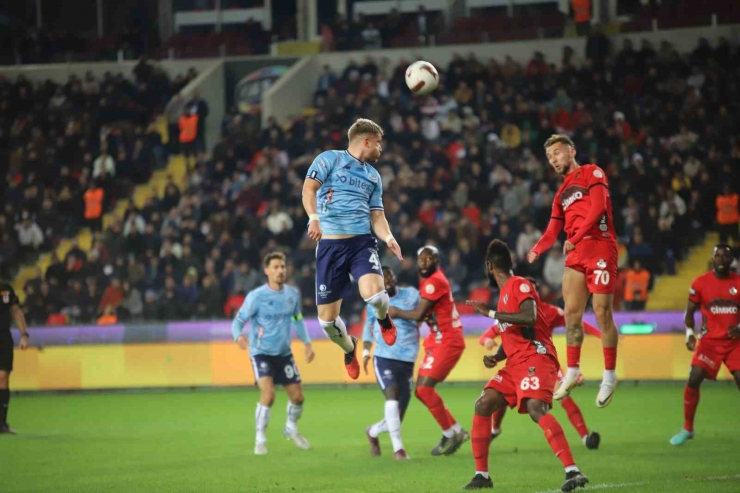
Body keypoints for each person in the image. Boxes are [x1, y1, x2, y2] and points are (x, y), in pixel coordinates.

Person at [463, 240, 589, 491]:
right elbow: (511, 331)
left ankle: (573, 471)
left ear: (489, 266)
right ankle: (482, 475)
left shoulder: (520, 284)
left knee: (535, 408)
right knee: (483, 403)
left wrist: (489, 314)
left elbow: (529, 316)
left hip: (535, 356)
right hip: (514, 362)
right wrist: (497, 358)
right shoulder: (503, 296)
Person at [302, 118, 402, 381]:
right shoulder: (329, 160)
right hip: (330, 246)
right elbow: (308, 189)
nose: (380, 149)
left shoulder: (373, 176)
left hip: (360, 242)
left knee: (377, 297)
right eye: (378, 144)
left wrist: (388, 237)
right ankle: (349, 348)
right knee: (327, 323)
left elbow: (377, 216)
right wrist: (313, 217)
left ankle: (384, 320)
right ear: (366, 141)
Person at [528, 134, 619, 408]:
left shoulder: (592, 171)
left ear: (571, 151)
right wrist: (536, 249)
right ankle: (573, 370)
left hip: (600, 246)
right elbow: (552, 231)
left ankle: (610, 375)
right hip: (577, 252)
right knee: (571, 314)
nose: (554, 159)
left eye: (557, 153)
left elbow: (599, 207)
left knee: (602, 312)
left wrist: (577, 235)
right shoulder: (560, 194)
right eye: (549, 157)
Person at [478, 278, 601, 449]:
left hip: (542, 359)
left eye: (532, 291)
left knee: (563, 395)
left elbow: (576, 323)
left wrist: (603, 335)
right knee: (499, 395)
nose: (528, 295)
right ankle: (495, 429)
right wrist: (487, 341)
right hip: (518, 362)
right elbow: (487, 334)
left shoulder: (550, 312)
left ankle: (585, 437)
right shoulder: (513, 312)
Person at [231, 252, 315, 455]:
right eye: (276, 267)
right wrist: (238, 337)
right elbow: (238, 321)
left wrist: (307, 343)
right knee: (268, 395)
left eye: (283, 267)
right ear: (267, 271)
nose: (280, 271)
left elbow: (297, 318)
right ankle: (260, 438)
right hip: (261, 352)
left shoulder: (292, 294)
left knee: (298, 397)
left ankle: (291, 428)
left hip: (284, 353)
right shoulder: (257, 296)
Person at [389, 246, 469, 456]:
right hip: (438, 339)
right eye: (420, 259)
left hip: (448, 339)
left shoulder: (434, 281)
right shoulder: (428, 280)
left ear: (437, 260)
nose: (423, 263)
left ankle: (452, 433)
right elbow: (426, 314)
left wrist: (396, 312)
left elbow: (418, 314)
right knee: (422, 391)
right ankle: (455, 431)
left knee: (424, 390)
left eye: (428, 259)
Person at [670, 244, 740, 446]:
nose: (720, 259)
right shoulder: (700, 283)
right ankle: (687, 428)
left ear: (731, 261)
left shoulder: (738, 283)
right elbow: (690, 313)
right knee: (694, 377)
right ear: (712, 259)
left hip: (735, 343)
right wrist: (689, 333)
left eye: (725, 257)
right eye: (717, 256)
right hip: (709, 342)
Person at [363, 267, 420, 460]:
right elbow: (368, 326)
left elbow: (423, 312)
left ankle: (372, 432)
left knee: (397, 415)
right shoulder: (375, 302)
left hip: (407, 360)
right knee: (392, 396)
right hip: (384, 356)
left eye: (389, 275)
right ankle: (399, 450)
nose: (387, 280)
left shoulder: (412, 295)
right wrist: (364, 351)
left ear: (395, 278)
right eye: (382, 278)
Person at [1, 277, 30, 434]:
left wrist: (24, 335)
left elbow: (16, 311)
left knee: (3, 376)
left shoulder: (6, 288)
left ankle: (2, 424)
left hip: (3, 337)